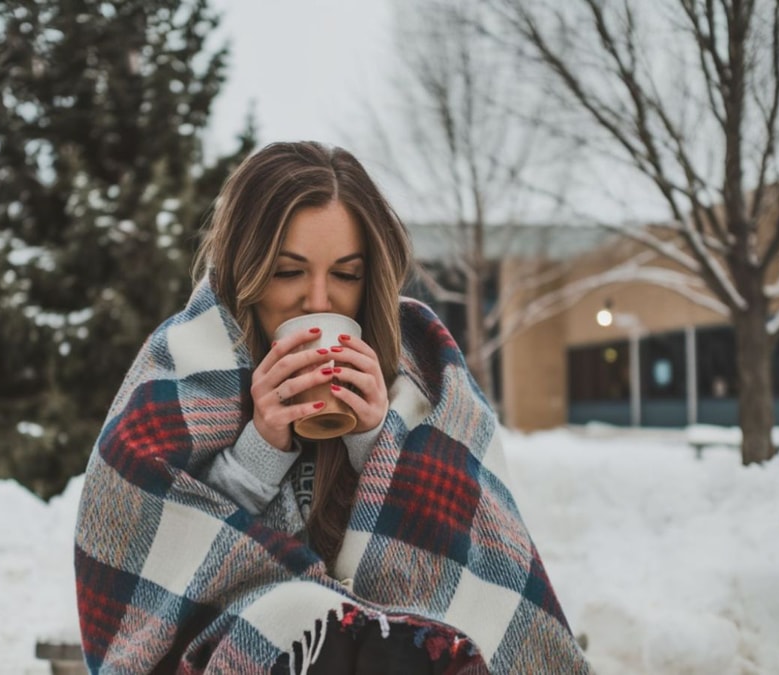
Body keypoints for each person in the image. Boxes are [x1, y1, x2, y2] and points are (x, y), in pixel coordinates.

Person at [75, 141, 589, 673]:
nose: (319, 301)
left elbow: (471, 560)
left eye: (346, 275)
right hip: (235, 657)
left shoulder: (429, 379)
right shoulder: (182, 370)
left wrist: (379, 443)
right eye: (287, 271)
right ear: (244, 271)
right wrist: (259, 451)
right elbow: (155, 569)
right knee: (301, 616)